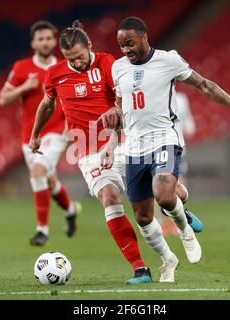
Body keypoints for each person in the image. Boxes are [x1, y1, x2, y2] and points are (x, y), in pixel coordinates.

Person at [97, 16, 230, 282]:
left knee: (163, 194)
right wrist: (112, 145)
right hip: (134, 145)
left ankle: (185, 231)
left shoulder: (169, 60)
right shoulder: (118, 68)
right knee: (143, 217)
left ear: (145, 37)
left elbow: (204, 85)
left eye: (130, 43)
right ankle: (168, 260)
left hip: (164, 137)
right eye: (122, 45)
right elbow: (120, 112)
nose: (125, 49)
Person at [29, 21, 152, 284]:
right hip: (87, 148)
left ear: (90, 47)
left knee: (149, 198)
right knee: (109, 198)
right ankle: (140, 268)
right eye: (71, 59)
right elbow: (47, 104)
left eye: (81, 57)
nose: (78, 63)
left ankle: (177, 208)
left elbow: (122, 100)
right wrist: (35, 133)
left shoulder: (107, 62)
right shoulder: (55, 74)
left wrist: (116, 125)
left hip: (122, 140)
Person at [0, 21, 81, 246]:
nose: (45, 42)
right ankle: (71, 209)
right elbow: (3, 99)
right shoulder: (22, 68)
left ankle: (42, 230)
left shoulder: (66, 66)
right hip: (30, 136)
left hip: (57, 132)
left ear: (55, 41)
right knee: (50, 180)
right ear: (33, 43)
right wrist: (25, 87)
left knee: (37, 171)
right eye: (40, 39)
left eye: (48, 38)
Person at [155, 92, 202, 236]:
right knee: (160, 187)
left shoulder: (181, 98)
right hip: (159, 148)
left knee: (179, 185)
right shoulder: (154, 95)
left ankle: (174, 222)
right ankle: (161, 223)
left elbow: (188, 124)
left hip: (178, 149)